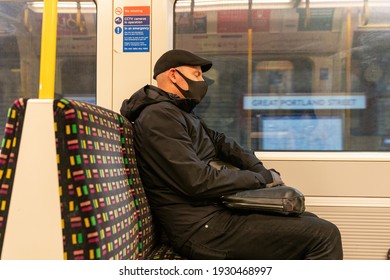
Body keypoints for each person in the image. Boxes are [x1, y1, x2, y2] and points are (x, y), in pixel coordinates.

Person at [120, 49, 343, 260]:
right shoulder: (159, 117)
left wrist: (258, 168)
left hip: (212, 214)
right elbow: (197, 181)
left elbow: (223, 143)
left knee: (308, 221)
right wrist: (260, 180)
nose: (202, 82)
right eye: (196, 74)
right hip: (199, 228)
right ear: (173, 76)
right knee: (324, 235)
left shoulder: (181, 112)